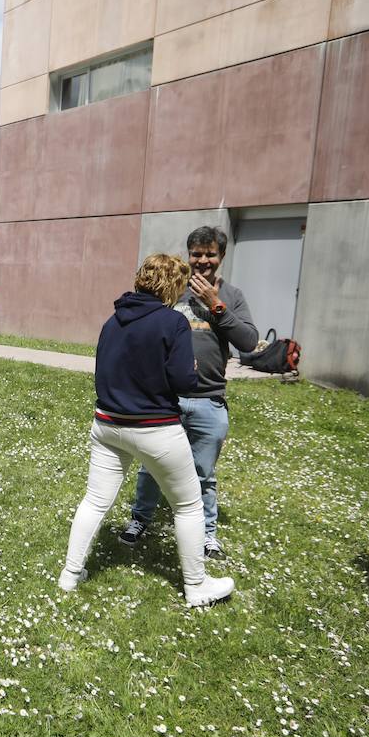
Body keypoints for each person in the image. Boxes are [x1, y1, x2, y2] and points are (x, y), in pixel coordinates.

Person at [59, 253, 235, 607]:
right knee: (188, 507)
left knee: (95, 501)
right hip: (156, 429)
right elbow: (185, 381)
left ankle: (70, 575)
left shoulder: (112, 321)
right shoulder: (173, 323)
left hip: (107, 425)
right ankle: (196, 586)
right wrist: (193, 366)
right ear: (171, 287)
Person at [119, 226, 257, 559]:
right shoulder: (172, 291)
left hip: (210, 399)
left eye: (210, 254)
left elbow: (249, 342)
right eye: (197, 254)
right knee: (151, 464)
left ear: (221, 257)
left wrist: (216, 305)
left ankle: (208, 534)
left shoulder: (232, 296)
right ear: (188, 255)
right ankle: (140, 519)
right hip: (166, 400)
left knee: (204, 473)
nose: (203, 261)